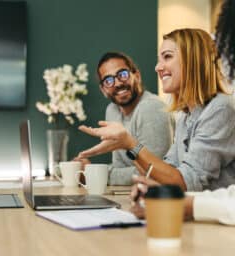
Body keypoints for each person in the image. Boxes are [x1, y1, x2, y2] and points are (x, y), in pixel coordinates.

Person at [78, 28, 235, 192]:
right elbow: (167, 169)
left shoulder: (220, 108)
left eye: (167, 56)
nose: (157, 67)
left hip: (212, 216)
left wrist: (131, 144)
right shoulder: (187, 115)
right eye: (159, 59)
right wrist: (149, 188)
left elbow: (187, 181)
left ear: (192, 60)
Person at [76, 52, 174, 185]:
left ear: (137, 76)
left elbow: (155, 173)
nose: (117, 84)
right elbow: (119, 168)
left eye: (122, 74)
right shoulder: (112, 111)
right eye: (108, 80)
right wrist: (86, 170)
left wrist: (93, 174)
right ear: (103, 89)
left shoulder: (151, 108)